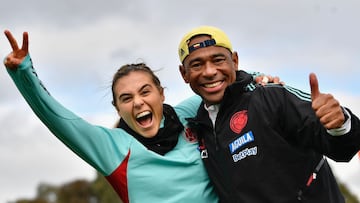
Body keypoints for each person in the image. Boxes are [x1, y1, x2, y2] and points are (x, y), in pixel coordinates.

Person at [2, 30, 278, 202]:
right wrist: (23, 72)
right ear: (117, 108)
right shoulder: (112, 148)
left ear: (161, 94)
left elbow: (223, 81)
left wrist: (260, 78)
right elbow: (58, 118)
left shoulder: (188, 116)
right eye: (126, 98)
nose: (138, 102)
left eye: (145, 92)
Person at [177, 25, 360, 203]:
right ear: (184, 74)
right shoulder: (198, 126)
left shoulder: (271, 96)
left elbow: (343, 148)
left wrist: (340, 124)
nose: (209, 72)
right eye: (197, 65)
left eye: (218, 60)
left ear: (235, 61)